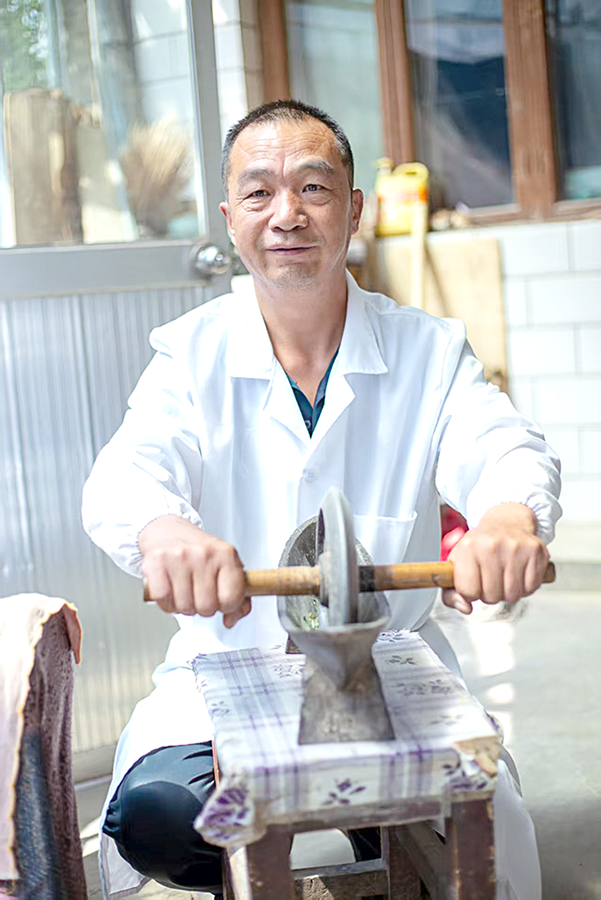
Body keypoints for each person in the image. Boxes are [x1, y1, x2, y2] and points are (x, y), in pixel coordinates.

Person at [82, 100, 561, 900]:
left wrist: (509, 516)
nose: (287, 214)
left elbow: (504, 445)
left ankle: (378, 829)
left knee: (472, 829)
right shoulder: (189, 355)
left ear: (353, 209)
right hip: (224, 671)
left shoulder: (427, 349)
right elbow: (125, 475)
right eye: (259, 192)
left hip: (388, 673)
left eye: (313, 187)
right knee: (160, 816)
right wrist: (163, 531)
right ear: (230, 219)